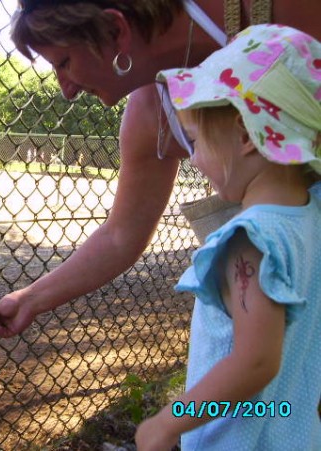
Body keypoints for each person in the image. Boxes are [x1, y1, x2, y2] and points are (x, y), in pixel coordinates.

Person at [0, 0, 321, 338]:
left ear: (115, 29)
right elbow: (120, 235)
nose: (66, 90)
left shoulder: (281, 11)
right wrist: (29, 299)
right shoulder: (151, 114)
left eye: (64, 62)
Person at [134, 24, 321, 450]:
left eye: (196, 140)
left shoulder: (251, 238)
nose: (194, 157)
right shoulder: (310, 215)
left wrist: (168, 420)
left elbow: (255, 361)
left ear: (244, 134)